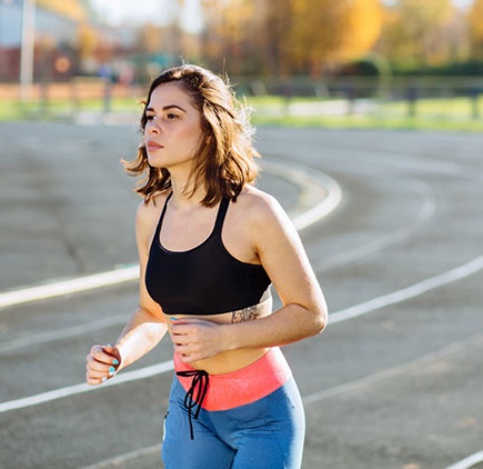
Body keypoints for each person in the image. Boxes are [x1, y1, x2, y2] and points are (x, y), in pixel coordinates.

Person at [86, 64, 327, 468]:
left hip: (263, 418)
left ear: (210, 128)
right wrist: (118, 353)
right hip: (191, 412)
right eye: (150, 116)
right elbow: (152, 312)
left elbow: (311, 315)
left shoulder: (255, 212)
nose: (153, 127)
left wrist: (225, 339)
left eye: (172, 115)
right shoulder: (150, 214)